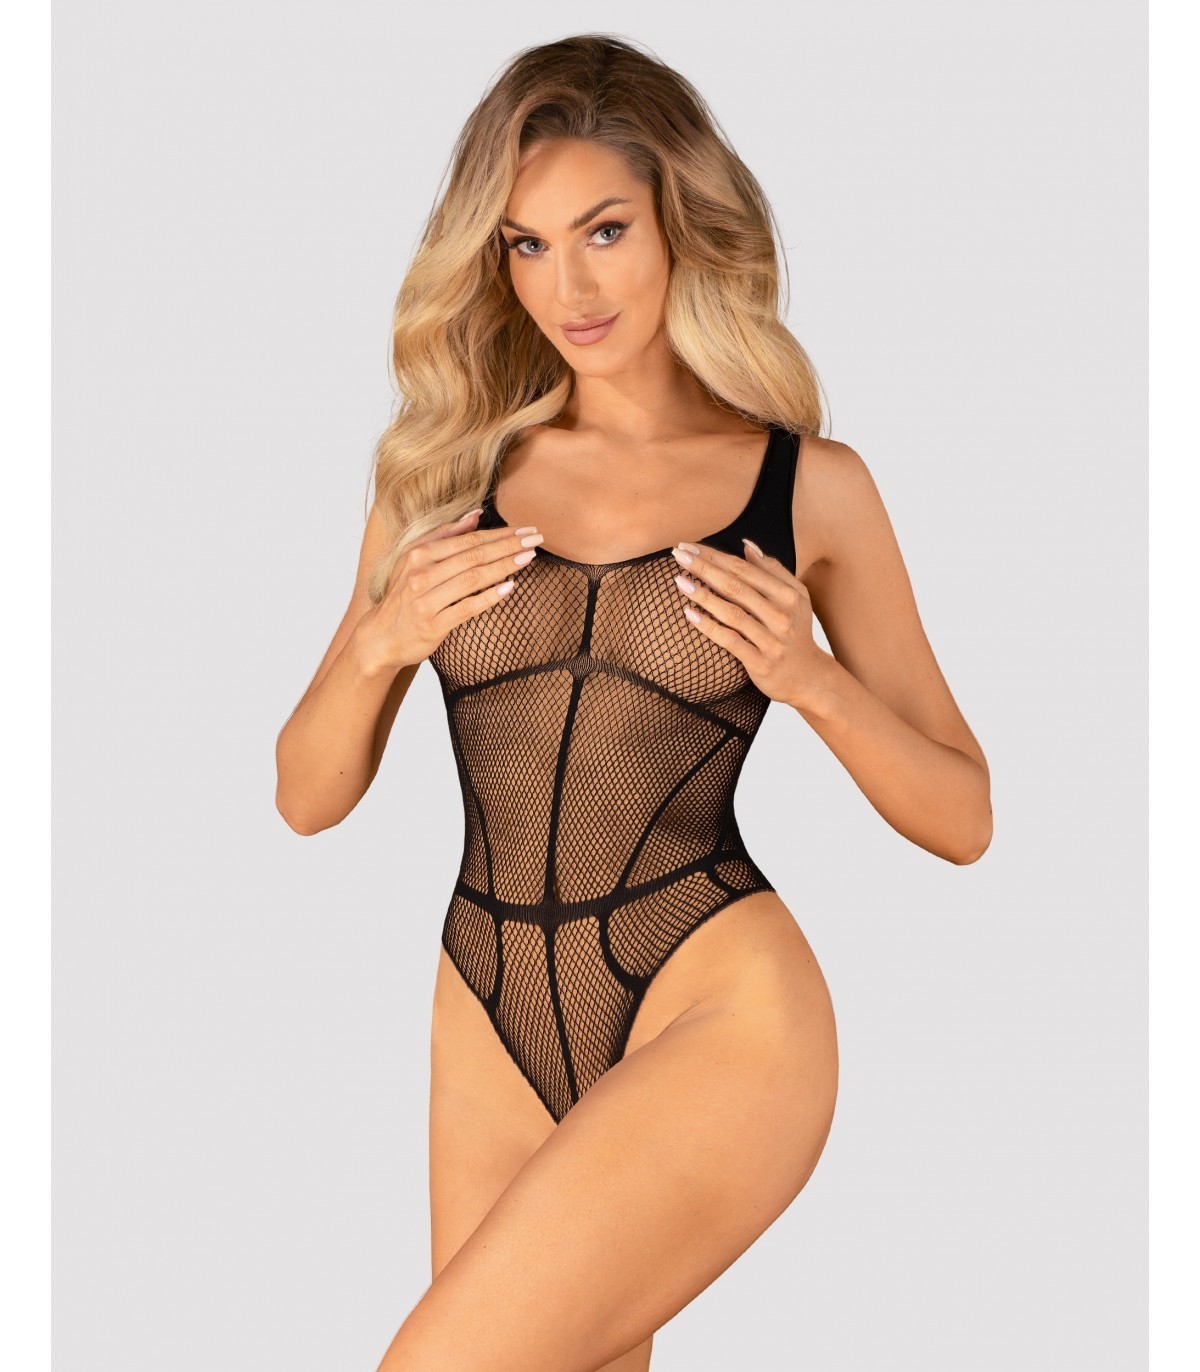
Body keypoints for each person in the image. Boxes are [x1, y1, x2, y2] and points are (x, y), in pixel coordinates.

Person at [275, 32, 992, 1372]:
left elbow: (965, 819)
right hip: (483, 1006)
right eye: (528, 245)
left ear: (679, 222)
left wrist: (809, 678)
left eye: (604, 230)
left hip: (718, 999)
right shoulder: (441, 475)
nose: (571, 285)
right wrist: (382, 642)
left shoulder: (809, 488)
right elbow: (305, 797)